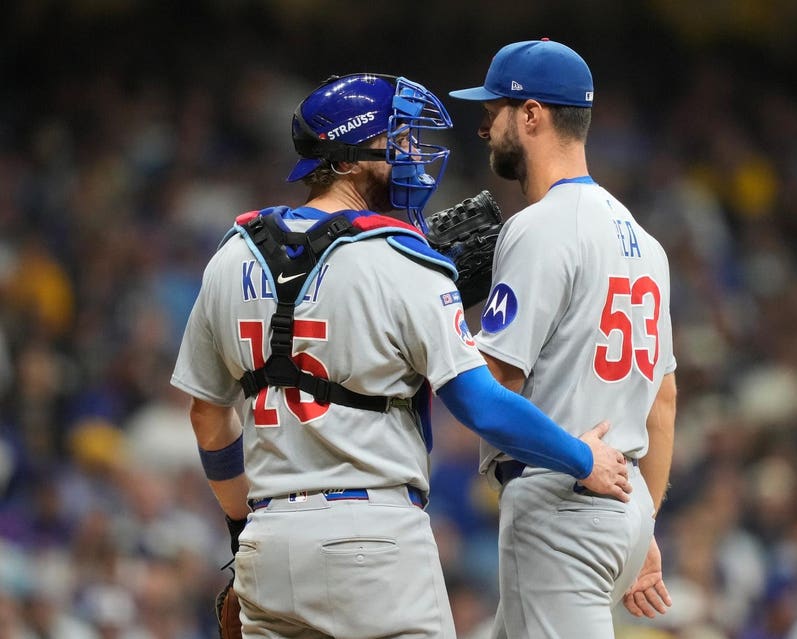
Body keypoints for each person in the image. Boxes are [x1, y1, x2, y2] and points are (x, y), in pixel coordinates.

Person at [170, 72, 631, 639]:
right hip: (373, 540)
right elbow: (481, 403)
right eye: (401, 140)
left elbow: (207, 415)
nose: (416, 155)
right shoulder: (399, 258)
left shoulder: (230, 256)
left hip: (268, 542)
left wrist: (243, 526)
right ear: (347, 157)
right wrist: (581, 456)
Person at [449, 40, 678, 638]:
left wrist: (424, 311)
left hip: (561, 504)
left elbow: (497, 382)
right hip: (618, 505)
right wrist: (643, 519)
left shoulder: (540, 227)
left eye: (492, 110)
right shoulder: (645, 243)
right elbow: (664, 398)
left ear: (531, 115)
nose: (483, 127)